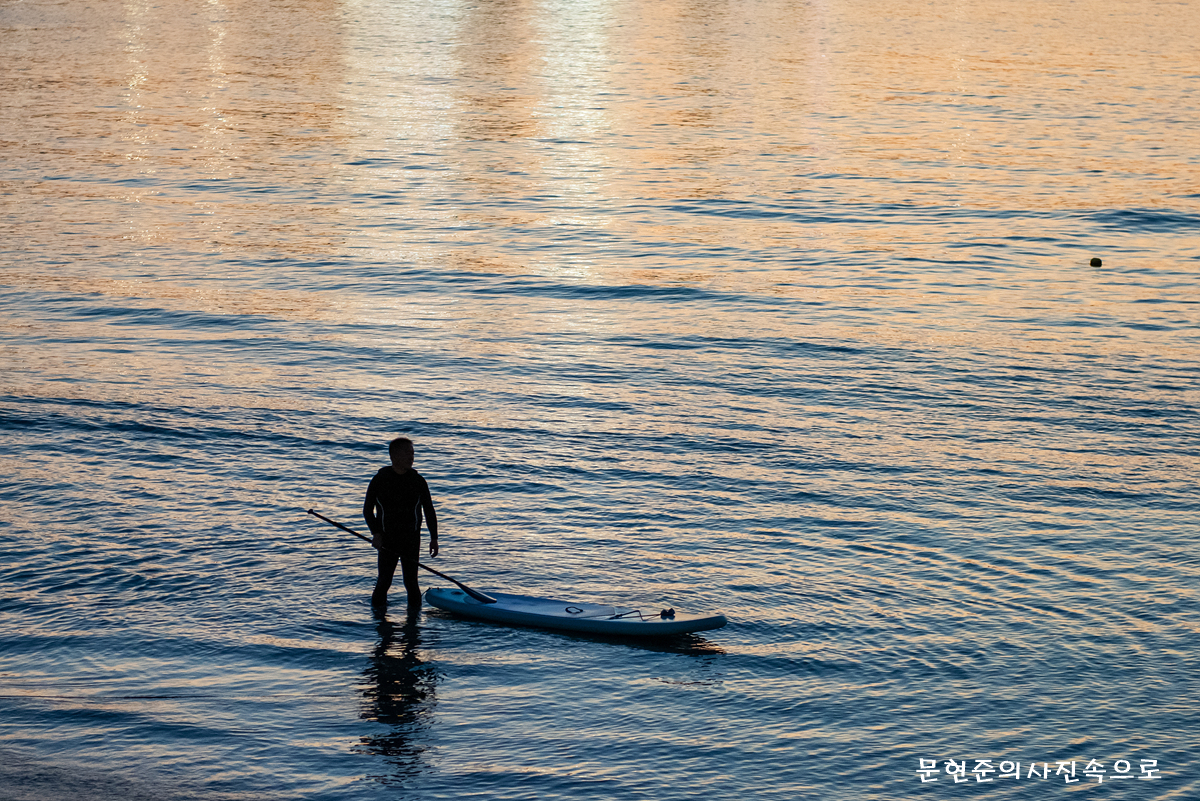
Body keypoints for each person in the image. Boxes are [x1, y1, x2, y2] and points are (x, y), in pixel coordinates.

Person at [363, 437, 439, 606]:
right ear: (394, 456)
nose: (411, 457)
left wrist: (434, 538)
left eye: (413, 453)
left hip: (411, 539)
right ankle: (378, 618)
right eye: (407, 453)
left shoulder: (418, 481)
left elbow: (429, 510)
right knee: (384, 582)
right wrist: (376, 533)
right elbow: (367, 510)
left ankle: (415, 620)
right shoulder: (380, 480)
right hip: (387, 539)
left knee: (411, 583)